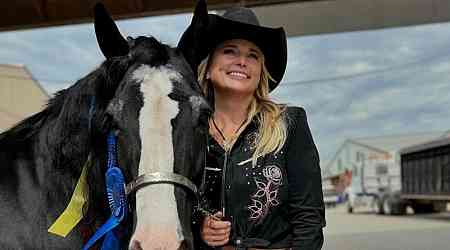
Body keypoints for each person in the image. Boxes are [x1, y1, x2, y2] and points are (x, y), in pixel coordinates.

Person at [179, 2, 326, 249]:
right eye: (229, 51)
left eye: (253, 55)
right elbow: (172, 204)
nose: (242, 61)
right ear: (207, 68)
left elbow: (308, 219)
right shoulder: (187, 132)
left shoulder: (289, 124)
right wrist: (200, 227)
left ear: (260, 71)